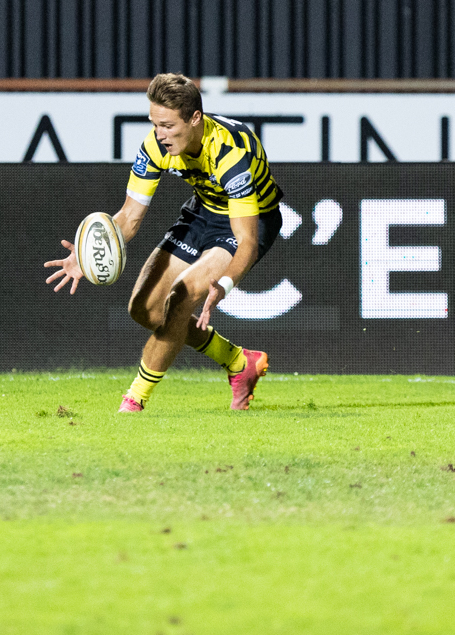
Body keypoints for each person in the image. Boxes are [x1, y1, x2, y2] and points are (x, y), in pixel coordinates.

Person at [45, 73, 284, 412]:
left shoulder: (231, 156)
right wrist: (88, 254)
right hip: (203, 210)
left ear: (195, 119)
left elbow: (246, 240)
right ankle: (237, 361)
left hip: (250, 218)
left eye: (168, 125)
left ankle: (134, 401)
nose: (160, 134)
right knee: (145, 310)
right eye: (155, 124)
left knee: (181, 296)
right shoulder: (156, 146)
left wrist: (226, 285)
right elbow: (128, 218)